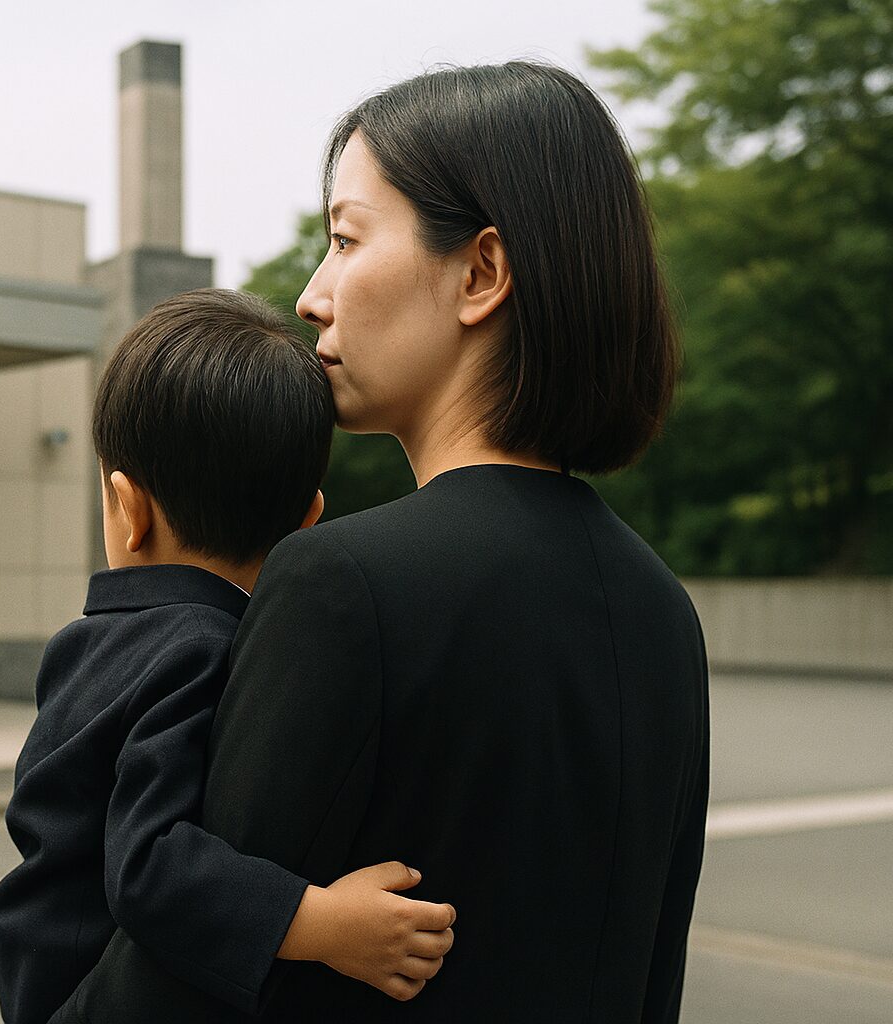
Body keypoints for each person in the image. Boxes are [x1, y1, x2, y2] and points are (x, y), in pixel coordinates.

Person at [60, 62, 710, 1023]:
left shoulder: (342, 584)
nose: (313, 295)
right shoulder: (664, 612)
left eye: (345, 239)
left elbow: (174, 982)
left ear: (481, 273)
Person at [0, 289, 458, 1024]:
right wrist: (325, 924)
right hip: (83, 991)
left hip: (39, 969)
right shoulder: (200, 650)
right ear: (308, 522)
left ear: (127, 508)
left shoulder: (89, 644)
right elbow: (147, 864)